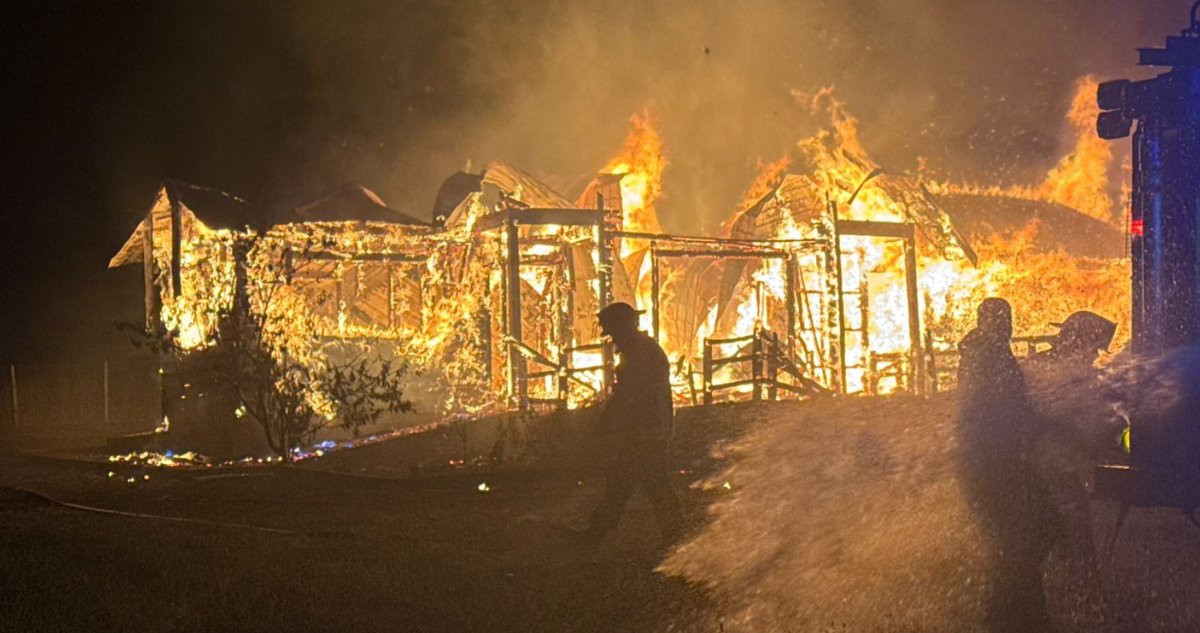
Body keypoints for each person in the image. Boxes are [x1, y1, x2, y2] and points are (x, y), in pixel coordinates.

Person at [957, 298, 1056, 633]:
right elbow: (998, 407)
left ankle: (1013, 616)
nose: (1008, 326)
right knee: (1024, 537)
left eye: (1008, 319)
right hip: (993, 461)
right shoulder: (989, 356)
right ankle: (1015, 619)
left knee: (1021, 538)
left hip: (992, 459)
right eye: (1002, 320)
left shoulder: (985, 352)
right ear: (989, 322)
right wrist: (1041, 423)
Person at [577, 302, 684, 543]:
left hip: (646, 432)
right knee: (624, 482)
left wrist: (605, 426)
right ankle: (599, 532)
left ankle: (675, 536)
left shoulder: (640, 354)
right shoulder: (642, 351)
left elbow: (630, 396)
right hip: (647, 431)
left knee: (647, 484)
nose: (613, 339)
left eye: (613, 332)